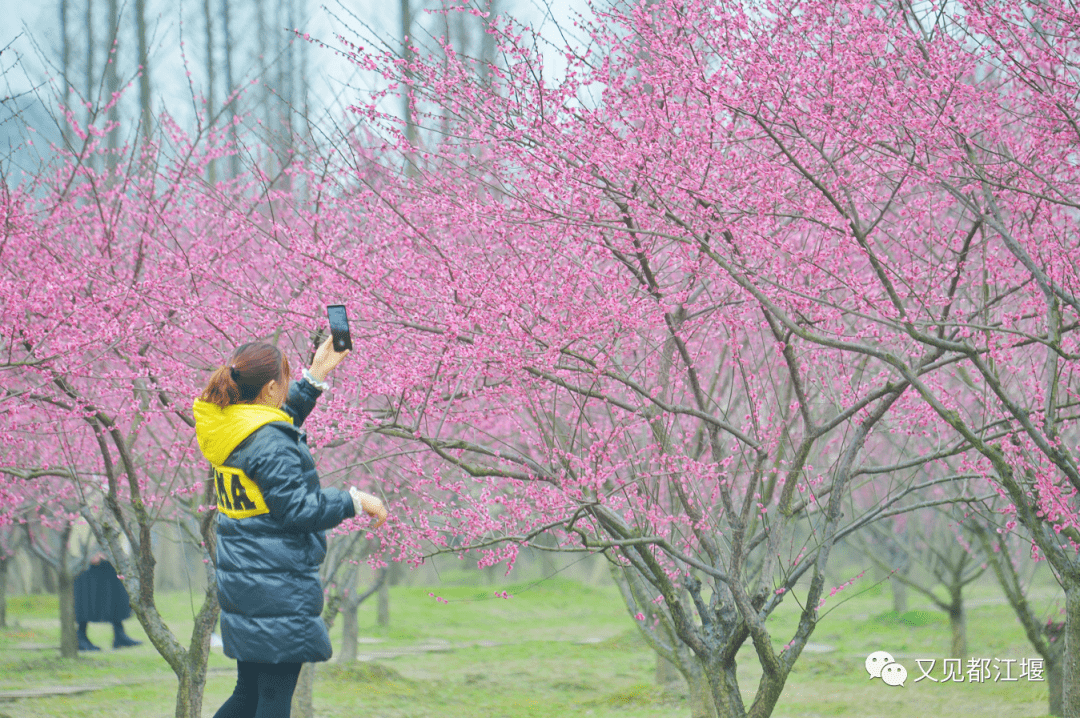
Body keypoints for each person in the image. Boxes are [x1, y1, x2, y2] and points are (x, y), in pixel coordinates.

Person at [193, 336, 387, 718]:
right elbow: (298, 508)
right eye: (282, 381)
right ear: (269, 389)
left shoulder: (228, 425)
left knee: (248, 693)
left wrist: (314, 378)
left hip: (247, 580)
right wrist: (353, 501)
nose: (285, 388)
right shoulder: (265, 440)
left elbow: (270, 433)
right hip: (277, 585)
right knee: (273, 700)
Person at [73, 552, 142, 651]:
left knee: (114, 595)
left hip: (111, 555)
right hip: (85, 556)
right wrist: (90, 552)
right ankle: (81, 638)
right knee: (87, 596)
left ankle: (120, 636)